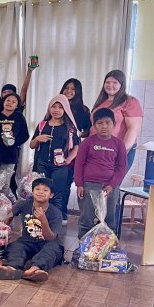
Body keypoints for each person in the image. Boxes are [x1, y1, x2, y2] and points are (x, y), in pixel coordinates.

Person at [0, 177, 63, 282]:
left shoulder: (56, 213)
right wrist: (4, 227)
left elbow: (50, 237)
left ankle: (35, 269)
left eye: (45, 190)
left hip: (47, 242)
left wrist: (43, 221)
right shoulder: (24, 204)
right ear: (32, 192)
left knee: (52, 249)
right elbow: (10, 214)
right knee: (16, 246)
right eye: (37, 189)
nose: (41, 192)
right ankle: (12, 268)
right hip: (27, 240)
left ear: (51, 195)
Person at [74, 108, 127, 238]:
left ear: (114, 124)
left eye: (108, 123)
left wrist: (112, 185)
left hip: (110, 188)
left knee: (109, 221)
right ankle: (83, 247)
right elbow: (79, 165)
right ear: (94, 125)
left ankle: (107, 247)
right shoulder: (87, 143)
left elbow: (121, 167)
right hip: (88, 186)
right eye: (100, 123)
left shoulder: (119, 144)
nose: (104, 126)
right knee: (86, 220)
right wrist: (79, 184)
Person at [30, 94, 80, 224]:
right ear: (49, 108)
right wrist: (38, 139)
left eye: (60, 107)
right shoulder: (42, 125)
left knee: (57, 194)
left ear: (65, 110)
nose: (56, 110)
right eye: (54, 106)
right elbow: (32, 145)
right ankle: (39, 219)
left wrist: (69, 160)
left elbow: (76, 147)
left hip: (60, 167)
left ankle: (56, 221)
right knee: (41, 193)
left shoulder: (70, 128)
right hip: (42, 164)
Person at [90, 69, 143, 171]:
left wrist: (121, 153)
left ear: (121, 85)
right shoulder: (101, 102)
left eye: (115, 82)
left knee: (110, 180)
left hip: (117, 151)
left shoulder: (130, 102)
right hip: (97, 149)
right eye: (107, 82)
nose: (110, 85)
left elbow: (133, 129)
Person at [0, 93, 29, 197]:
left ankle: (3, 204)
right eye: (8, 100)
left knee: (5, 184)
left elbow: (25, 135)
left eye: (13, 102)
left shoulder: (19, 117)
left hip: (10, 155)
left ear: (17, 105)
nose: (10, 103)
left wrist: (14, 142)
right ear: (3, 102)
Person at [59, 78, 92, 221]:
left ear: (78, 92)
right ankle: (50, 214)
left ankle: (62, 214)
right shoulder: (57, 105)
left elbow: (88, 130)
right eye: (66, 88)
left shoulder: (83, 110)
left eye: (73, 89)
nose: (69, 91)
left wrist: (77, 135)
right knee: (51, 183)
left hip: (72, 151)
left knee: (66, 184)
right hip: (55, 149)